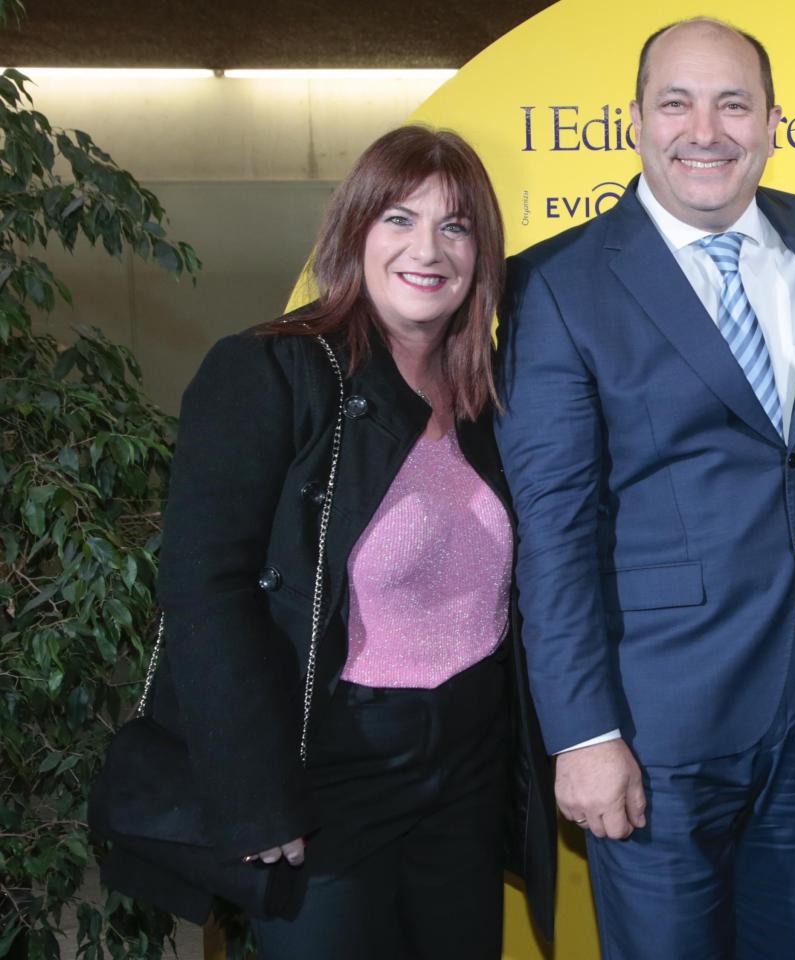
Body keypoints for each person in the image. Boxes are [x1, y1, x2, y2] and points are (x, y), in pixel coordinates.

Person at [494, 17, 795, 959]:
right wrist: (582, 732)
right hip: (653, 722)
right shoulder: (554, 287)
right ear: (634, 120)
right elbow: (553, 532)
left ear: (771, 123)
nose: (705, 129)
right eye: (676, 102)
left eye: (733, 103)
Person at [95, 126, 557, 957]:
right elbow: (206, 587)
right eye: (399, 219)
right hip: (328, 773)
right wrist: (254, 794)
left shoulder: (489, 393)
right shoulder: (272, 371)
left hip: (469, 772)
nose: (429, 248)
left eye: (456, 227)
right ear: (353, 231)